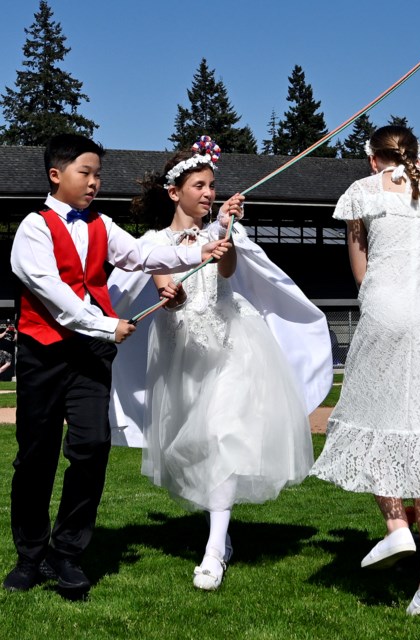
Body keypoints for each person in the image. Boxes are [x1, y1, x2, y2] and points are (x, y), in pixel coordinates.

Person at [5, 134, 229, 598]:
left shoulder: (102, 225)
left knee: (91, 446)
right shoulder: (33, 229)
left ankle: (67, 553)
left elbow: (144, 255)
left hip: (89, 356)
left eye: (97, 175)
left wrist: (197, 252)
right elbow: (55, 295)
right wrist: (106, 326)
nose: (93, 182)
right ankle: (30, 555)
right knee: (36, 455)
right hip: (43, 354)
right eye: (85, 173)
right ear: (56, 175)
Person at [108, 138, 333, 591]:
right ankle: (222, 534)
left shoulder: (222, 232)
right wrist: (170, 296)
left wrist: (224, 232)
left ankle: (213, 554)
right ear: (175, 192)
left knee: (223, 434)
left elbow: (227, 270)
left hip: (233, 345)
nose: (209, 193)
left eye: (212, 186)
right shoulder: (154, 243)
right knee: (198, 448)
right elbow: (168, 294)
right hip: (183, 354)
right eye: (199, 185)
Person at [311, 126, 420, 616]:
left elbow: (361, 267)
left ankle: (395, 527)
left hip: (388, 310)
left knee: (376, 416)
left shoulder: (363, 192)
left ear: (372, 158)